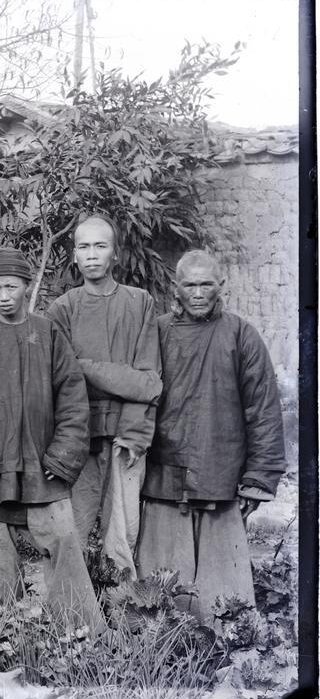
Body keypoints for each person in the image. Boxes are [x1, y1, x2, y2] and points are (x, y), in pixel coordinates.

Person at [0, 248, 103, 632]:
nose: (4, 296)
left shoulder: (48, 333)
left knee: (64, 545)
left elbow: (73, 400)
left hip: (41, 467)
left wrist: (61, 457)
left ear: (26, 286)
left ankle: (79, 631)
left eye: (11, 287)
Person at [136, 250, 285, 623]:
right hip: (164, 474)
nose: (198, 293)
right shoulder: (157, 332)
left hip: (221, 473)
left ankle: (226, 636)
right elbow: (137, 395)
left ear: (222, 285)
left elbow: (263, 409)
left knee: (225, 603)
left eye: (206, 284)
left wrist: (258, 478)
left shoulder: (241, 335)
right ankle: (163, 641)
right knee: (160, 596)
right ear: (176, 288)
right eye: (190, 285)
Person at [45, 215, 161, 579]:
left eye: (101, 246)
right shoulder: (62, 309)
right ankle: (69, 604)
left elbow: (148, 383)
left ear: (115, 254)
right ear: (74, 255)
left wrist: (134, 434)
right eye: (84, 247)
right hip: (80, 433)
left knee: (123, 533)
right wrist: (121, 377)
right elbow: (61, 381)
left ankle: (124, 604)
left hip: (127, 434)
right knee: (72, 529)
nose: (92, 255)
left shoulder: (139, 302)